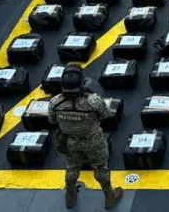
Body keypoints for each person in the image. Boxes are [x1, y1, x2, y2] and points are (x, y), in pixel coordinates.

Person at [48, 64, 124, 209]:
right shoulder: (93, 100)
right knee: (101, 168)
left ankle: (69, 197)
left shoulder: (54, 102)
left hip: (70, 141)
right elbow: (107, 115)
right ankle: (109, 197)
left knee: (71, 168)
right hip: (93, 141)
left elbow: (52, 121)